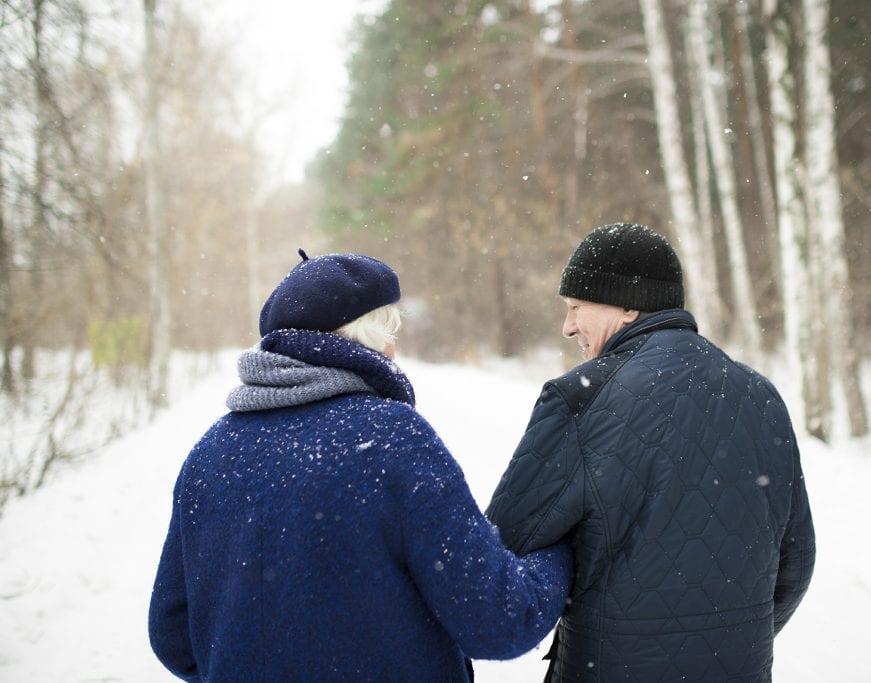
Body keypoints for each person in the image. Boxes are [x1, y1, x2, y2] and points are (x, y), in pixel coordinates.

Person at [149, 249, 571, 682]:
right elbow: (498, 620)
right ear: (368, 340)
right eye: (390, 331)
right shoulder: (393, 439)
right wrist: (558, 555)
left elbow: (172, 634)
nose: (393, 349)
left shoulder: (212, 451)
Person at [486, 223, 815, 682]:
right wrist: (719, 647)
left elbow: (500, 552)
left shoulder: (581, 398)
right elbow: (795, 565)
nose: (567, 327)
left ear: (627, 304)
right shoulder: (760, 396)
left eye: (577, 306)